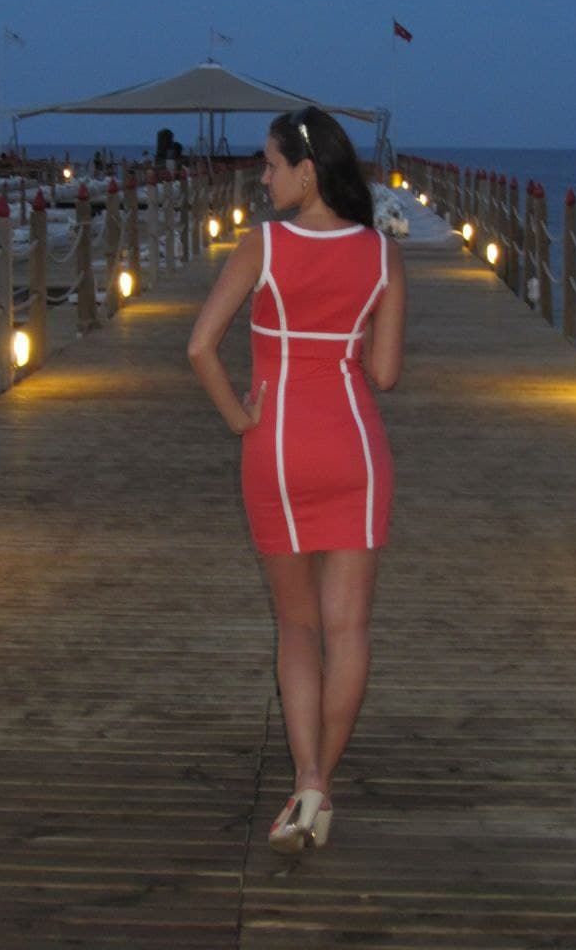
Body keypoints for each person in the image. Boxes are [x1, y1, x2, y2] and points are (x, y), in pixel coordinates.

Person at [188, 107, 406, 854]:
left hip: (277, 448)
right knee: (349, 630)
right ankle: (318, 788)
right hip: (356, 449)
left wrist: (239, 420)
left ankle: (307, 773)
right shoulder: (381, 255)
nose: (263, 177)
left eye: (271, 165)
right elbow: (384, 374)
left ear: (306, 173)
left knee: (299, 627)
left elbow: (200, 348)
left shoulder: (263, 246)